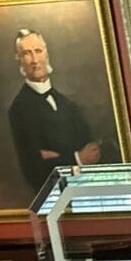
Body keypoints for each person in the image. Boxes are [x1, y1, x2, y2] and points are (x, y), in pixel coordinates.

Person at [7, 29, 102, 195]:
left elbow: (91, 148)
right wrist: (77, 158)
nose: (35, 60)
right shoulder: (19, 108)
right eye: (27, 53)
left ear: (46, 53)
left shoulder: (68, 104)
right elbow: (34, 169)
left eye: (38, 51)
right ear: (19, 59)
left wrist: (57, 157)